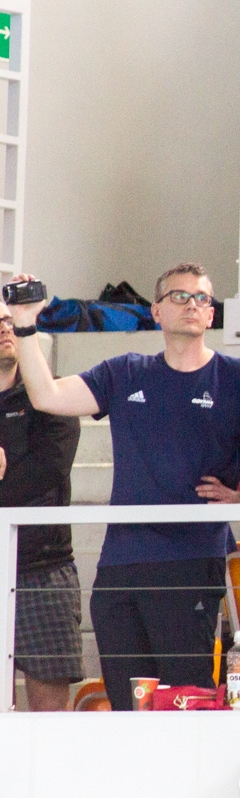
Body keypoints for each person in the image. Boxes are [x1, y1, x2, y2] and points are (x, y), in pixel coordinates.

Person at [8, 263, 240, 711]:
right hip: (120, 565)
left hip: (191, 561)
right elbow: (47, 396)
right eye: (179, 296)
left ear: (211, 315)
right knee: (130, 705)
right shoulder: (125, 371)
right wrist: (27, 324)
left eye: (202, 298)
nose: (191, 305)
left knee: (187, 700)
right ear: (156, 311)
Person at [0, 297, 81, 711]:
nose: (5, 327)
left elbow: (47, 471)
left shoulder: (55, 394)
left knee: (48, 719)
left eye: (10, 320)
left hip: (44, 568)